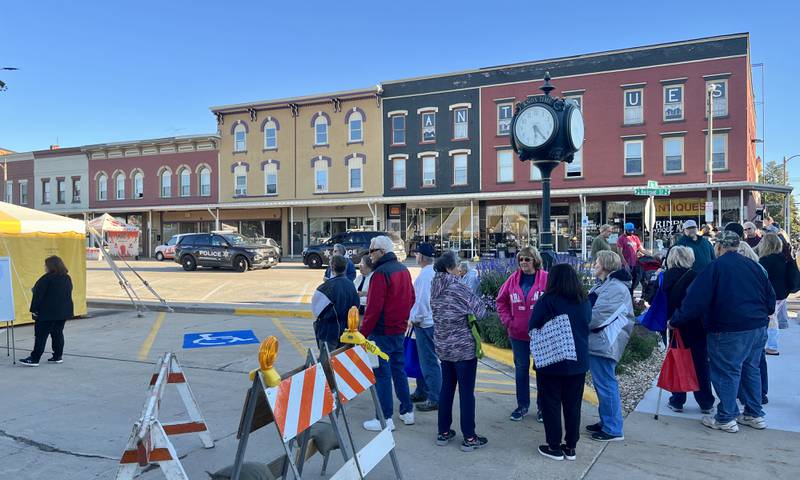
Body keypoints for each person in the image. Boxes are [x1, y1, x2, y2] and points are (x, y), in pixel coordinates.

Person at [670, 230, 773, 433]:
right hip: (757, 326)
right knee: (751, 369)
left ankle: (726, 417)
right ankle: (754, 413)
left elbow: (695, 300)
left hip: (728, 328)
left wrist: (676, 319)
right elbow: (770, 297)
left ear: (719, 247)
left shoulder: (715, 268)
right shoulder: (753, 266)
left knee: (727, 371)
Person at [529, 264, 591, 462]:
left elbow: (533, 326)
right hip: (577, 360)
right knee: (573, 405)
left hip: (551, 361)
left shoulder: (547, 301)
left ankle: (553, 446)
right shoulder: (583, 301)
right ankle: (571, 447)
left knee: (551, 403)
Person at [430, 251, 488, 452]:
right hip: (463, 349)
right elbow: (480, 311)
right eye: (456, 266)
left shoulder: (434, 286)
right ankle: (470, 438)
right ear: (448, 268)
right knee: (466, 393)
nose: (460, 269)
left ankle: (443, 432)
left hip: (444, 347)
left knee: (447, 389)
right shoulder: (458, 286)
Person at [360, 236, 416, 431]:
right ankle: (407, 411)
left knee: (381, 374)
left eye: (371, 250)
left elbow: (373, 309)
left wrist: (363, 333)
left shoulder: (380, 274)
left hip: (381, 333)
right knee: (398, 370)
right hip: (398, 330)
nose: (369, 255)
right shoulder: (403, 270)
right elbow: (412, 298)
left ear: (381, 252)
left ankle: (385, 418)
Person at [496, 246, 548, 422]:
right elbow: (501, 301)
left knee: (542, 371)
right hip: (517, 334)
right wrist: (508, 321)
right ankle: (522, 405)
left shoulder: (546, 279)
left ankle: (543, 407)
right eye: (521, 260)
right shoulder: (513, 280)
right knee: (521, 370)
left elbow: (555, 300)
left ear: (535, 260)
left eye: (527, 259)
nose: (523, 263)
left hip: (541, 334)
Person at [586, 251, 634, 441]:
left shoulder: (615, 288)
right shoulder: (608, 285)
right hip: (601, 341)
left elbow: (596, 317)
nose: (594, 265)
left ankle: (613, 428)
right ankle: (607, 421)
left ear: (605, 265)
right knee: (602, 384)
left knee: (606, 384)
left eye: (597, 262)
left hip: (605, 342)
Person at [662, 246, 715, 414]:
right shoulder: (695, 277)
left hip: (671, 325)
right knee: (700, 363)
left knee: (677, 360)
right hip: (694, 325)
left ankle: (678, 399)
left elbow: (653, 299)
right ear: (689, 259)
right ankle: (705, 401)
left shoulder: (663, 277)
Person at [20, 256, 74, 367]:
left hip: (47, 313)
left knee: (41, 335)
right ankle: (57, 356)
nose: (44, 267)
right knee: (57, 333)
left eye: (46, 265)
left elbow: (38, 296)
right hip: (62, 312)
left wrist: (34, 309)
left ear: (50, 266)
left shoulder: (46, 278)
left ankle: (35, 358)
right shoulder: (67, 278)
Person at [408, 243, 442, 412]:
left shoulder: (425, 275)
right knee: (422, 359)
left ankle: (435, 397)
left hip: (425, 324)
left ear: (421, 257)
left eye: (416, 254)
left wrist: (414, 318)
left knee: (428, 361)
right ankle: (422, 390)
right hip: (431, 322)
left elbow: (422, 301)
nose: (415, 257)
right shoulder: (433, 272)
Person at [311, 255, 360, 353]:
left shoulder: (325, 288)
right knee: (343, 364)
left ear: (332, 267)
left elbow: (316, 311)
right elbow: (356, 306)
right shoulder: (351, 285)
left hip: (329, 333)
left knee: (327, 364)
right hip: (347, 333)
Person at [758, 233, 788, 356]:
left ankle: (772, 346)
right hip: (783, 294)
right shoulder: (783, 258)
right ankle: (770, 345)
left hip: (772, 294)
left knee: (771, 319)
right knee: (772, 318)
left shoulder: (765, 260)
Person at [616, 223, 646, 296]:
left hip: (635, 263)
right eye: (630, 231)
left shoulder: (635, 238)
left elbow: (640, 248)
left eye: (632, 230)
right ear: (625, 230)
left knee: (635, 282)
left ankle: (631, 296)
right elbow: (620, 253)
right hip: (626, 264)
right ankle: (627, 297)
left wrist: (649, 254)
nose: (631, 232)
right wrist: (625, 264)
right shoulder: (621, 238)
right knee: (627, 283)